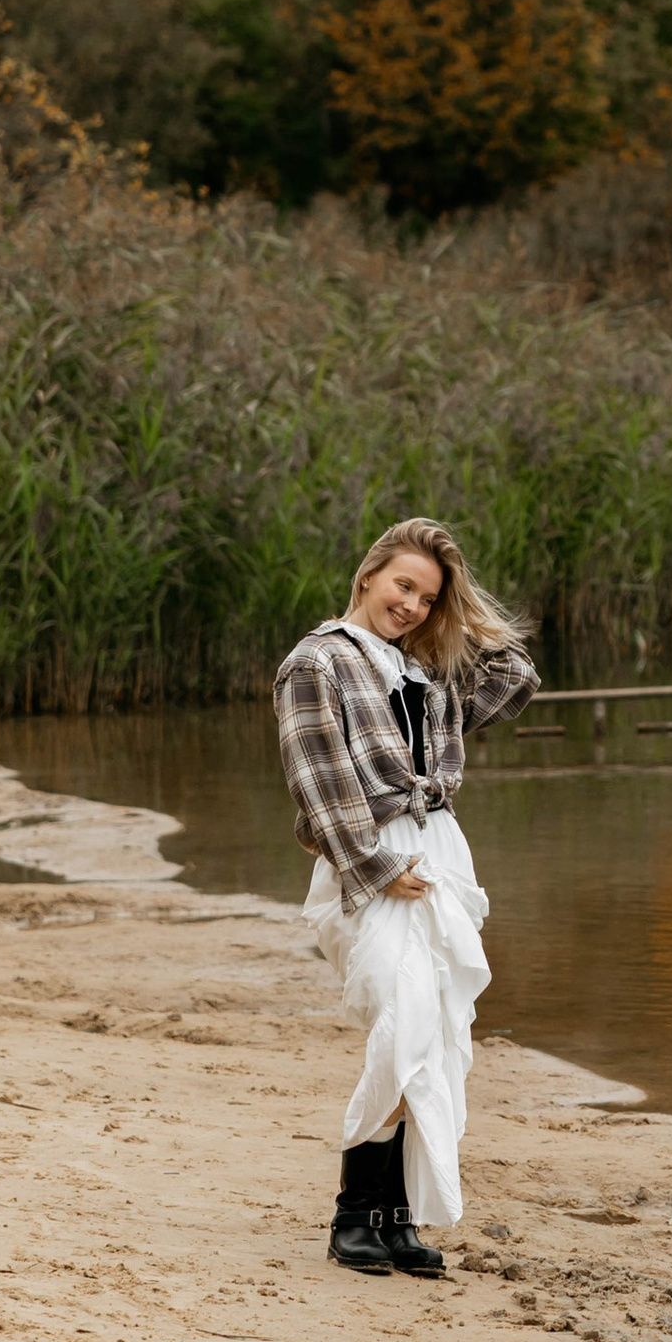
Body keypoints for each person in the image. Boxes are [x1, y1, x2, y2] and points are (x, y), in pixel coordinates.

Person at [272, 518, 538, 1278]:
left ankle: (393, 1219)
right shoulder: (316, 663)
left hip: (441, 852)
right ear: (368, 576)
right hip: (370, 858)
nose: (413, 606)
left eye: (427, 597)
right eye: (404, 586)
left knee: (438, 1032)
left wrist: (458, 612)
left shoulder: (424, 667)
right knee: (408, 1023)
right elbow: (316, 780)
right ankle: (353, 1214)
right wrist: (377, 867)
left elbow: (516, 679)